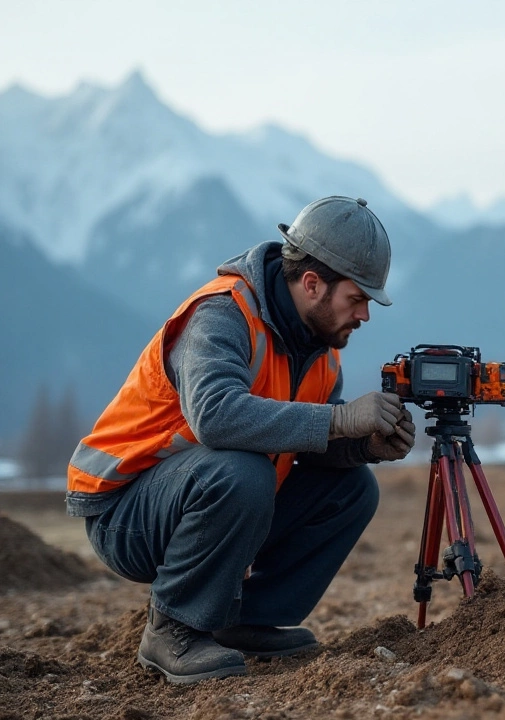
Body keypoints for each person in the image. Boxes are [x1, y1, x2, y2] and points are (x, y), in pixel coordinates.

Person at [65, 196, 416, 684]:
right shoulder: (222, 314)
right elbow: (216, 417)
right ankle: (174, 629)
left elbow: (305, 438)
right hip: (125, 512)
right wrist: (339, 420)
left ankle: (240, 620)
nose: (364, 315)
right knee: (241, 470)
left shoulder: (320, 349)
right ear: (312, 283)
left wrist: (363, 445)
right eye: (357, 299)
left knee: (352, 488)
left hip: (211, 498)